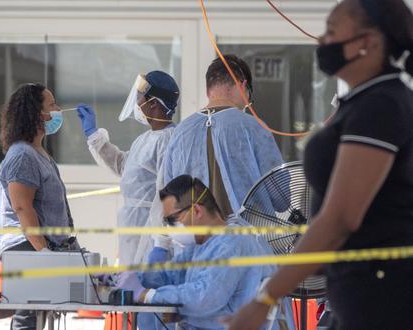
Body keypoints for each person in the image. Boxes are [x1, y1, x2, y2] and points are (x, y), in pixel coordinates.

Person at [226, 1, 413, 329]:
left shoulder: (379, 107)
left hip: (384, 295)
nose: (322, 41)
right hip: (357, 291)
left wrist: (265, 299)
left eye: (331, 32)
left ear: (367, 42)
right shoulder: (362, 103)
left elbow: (341, 217)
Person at [117, 175, 293, 330]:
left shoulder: (233, 242)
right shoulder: (203, 247)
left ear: (196, 210)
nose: (169, 227)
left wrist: (147, 294)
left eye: (172, 220)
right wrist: (125, 278)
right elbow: (169, 275)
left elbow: (204, 298)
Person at [76, 71, 180, 265]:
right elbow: (125, 166)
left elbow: (165, 195)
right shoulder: (145, 139)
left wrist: (161, 241)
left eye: (140, 97)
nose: (137, 102)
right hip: (133, 228)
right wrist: (94, 136)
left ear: (154, 103)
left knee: (146, 289)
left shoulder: (168, 141)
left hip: (150, 233)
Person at [0, 83, 77, 330]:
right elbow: (23, 208)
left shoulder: (39, 152)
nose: (58, 109)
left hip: (44, 248)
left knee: (41, 314)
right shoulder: (22, 155)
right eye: (51, 104)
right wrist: (43, 252)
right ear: (36, 113)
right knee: (28, 317)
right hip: (28, 249)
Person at [163, 55, 283, 220]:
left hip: (196, 242)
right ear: (243, 85)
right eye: (249, 97)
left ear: (207, 91)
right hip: (248, 242)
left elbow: (169, 194)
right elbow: (281, 197)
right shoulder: (253, 126)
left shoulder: (180, 132)